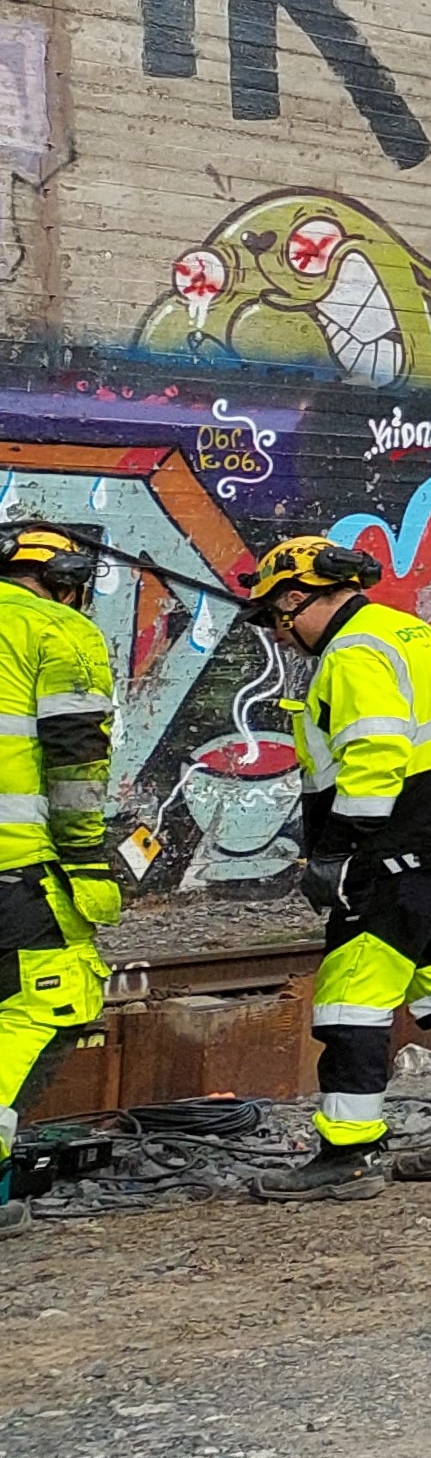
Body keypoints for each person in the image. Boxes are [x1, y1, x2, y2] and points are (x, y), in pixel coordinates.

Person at [232, 537, 431, 1199]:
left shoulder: (354, 651)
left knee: (351, 991)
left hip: (400, 842)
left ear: (297, 596)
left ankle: (348, 1152)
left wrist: (336, 850)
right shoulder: (408, 632)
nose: (280, 633)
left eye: (278, 616)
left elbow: (375, 753)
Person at [0, 522, 123, 1235]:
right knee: (39, 1009)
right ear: (68, 582)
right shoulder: (61, 631)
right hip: (17, 867)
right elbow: (76, 764)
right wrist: (85, 858)